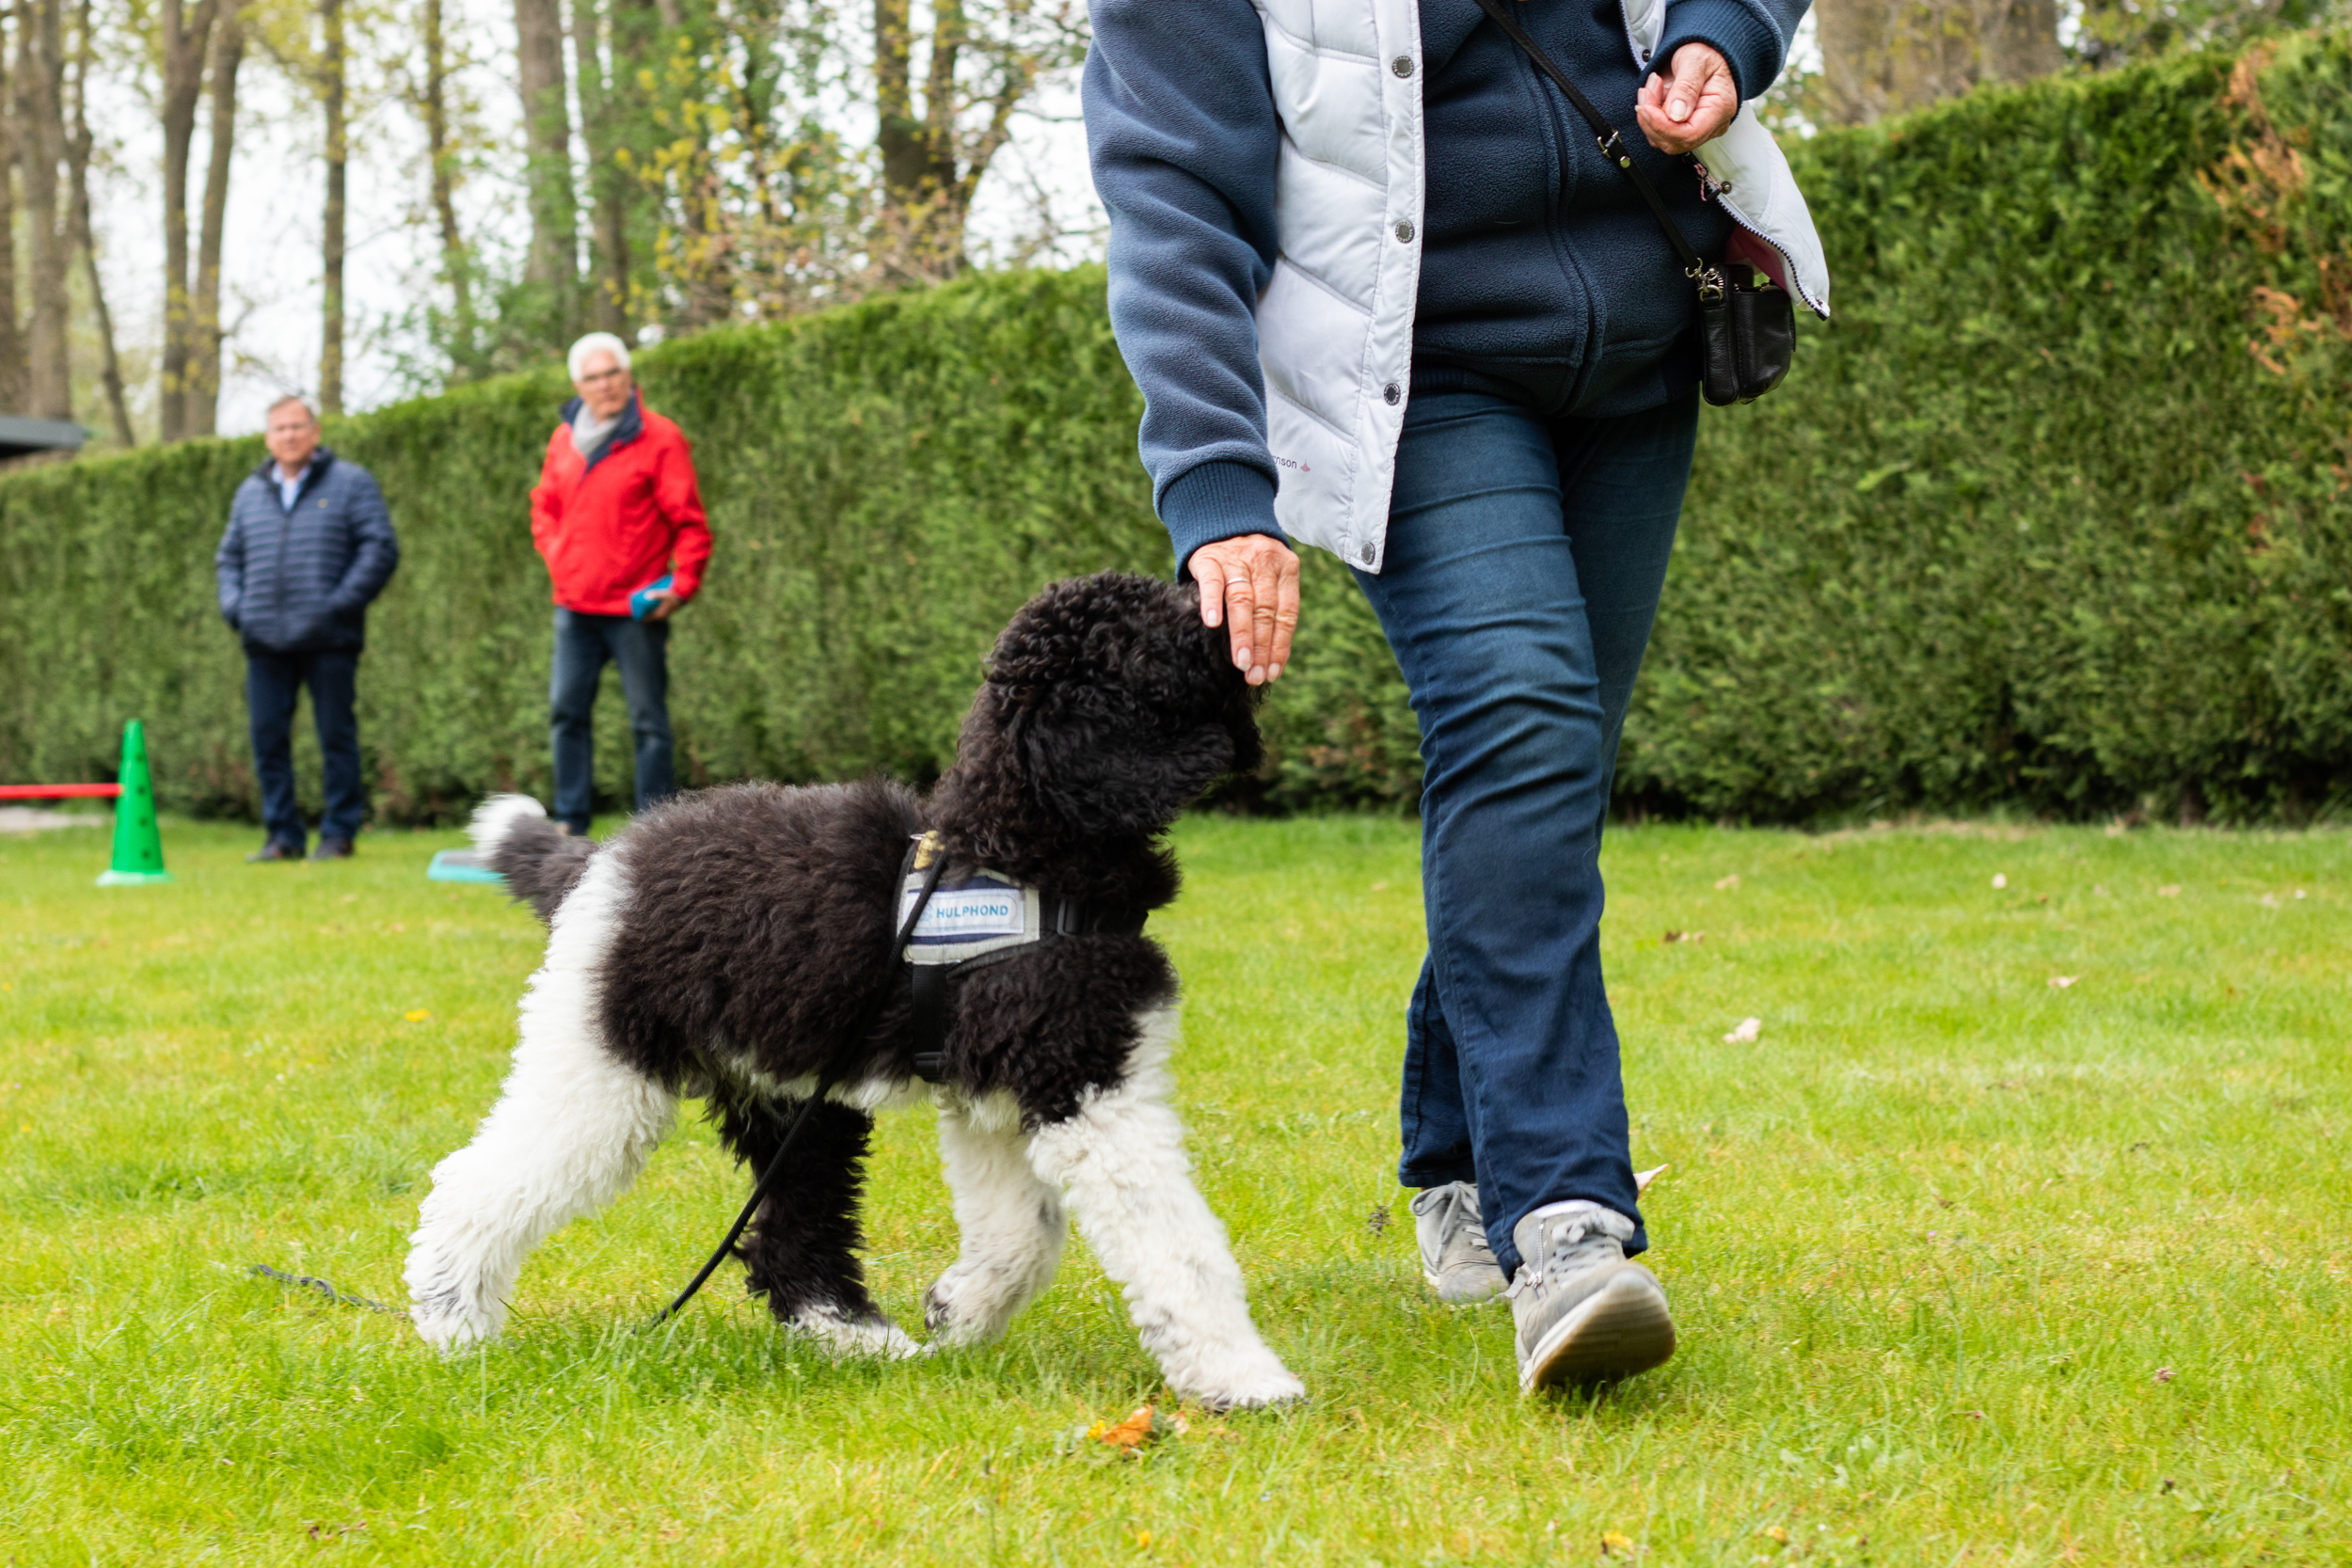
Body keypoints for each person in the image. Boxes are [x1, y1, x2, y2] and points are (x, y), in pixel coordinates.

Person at [1084, 0, 1828, 1390]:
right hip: (1414, 386)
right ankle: (1564, 1225)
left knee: (1544, 778)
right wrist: (1216, 487)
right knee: (1524, 719)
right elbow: (1172, 191)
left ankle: (1452, 1156)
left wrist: (1729, 33)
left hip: (1639, 336)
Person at [530, 332, 711, 836]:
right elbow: (543, 507)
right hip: (574, 606)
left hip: (636, 609)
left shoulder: (660, 438)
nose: (604, 384)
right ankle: (569, 821)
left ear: (629, 376)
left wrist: (682, 584)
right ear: (577, 385)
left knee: (648, 722)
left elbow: (691, 524)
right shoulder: (563, 440)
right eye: (592, 377)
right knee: (566, 712)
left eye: (612, 373)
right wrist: (557, 553)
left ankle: (656, 832)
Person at [215, 395, 401, 862]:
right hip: (263, 639)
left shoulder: (351, 483)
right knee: (268, 739)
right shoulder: (249, 492)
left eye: (298, 426)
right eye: (280, 428)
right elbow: (228, 558)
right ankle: (282, 838)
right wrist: (238, 609)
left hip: (329, 638)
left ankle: (338, 835)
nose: (290, 435)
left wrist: (337, 606)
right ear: (268, 437)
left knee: (336, 737)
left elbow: (379, 548)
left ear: (315, 432)